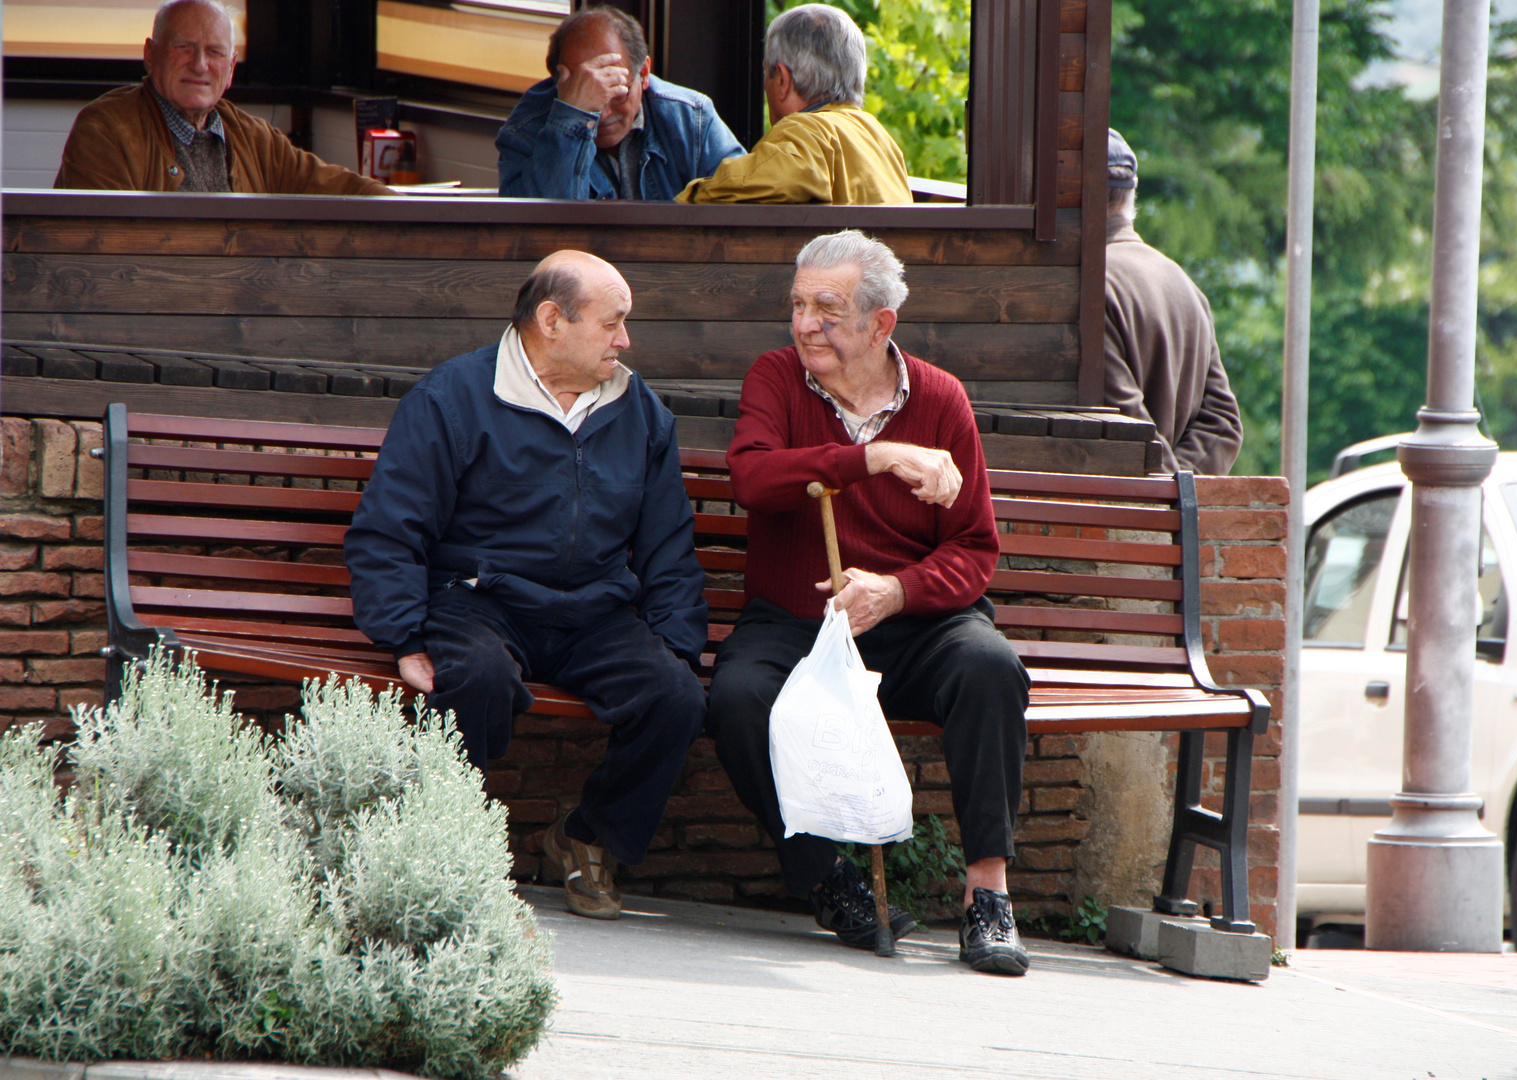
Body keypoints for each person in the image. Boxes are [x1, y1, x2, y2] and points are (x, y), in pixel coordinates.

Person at [344, 251, 708, 922]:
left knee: (676, 696)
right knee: (476, 679)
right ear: (552, 320)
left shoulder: (640, 411)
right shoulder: (453, 397)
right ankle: (446, 847)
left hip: (596, 611)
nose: (625, 340)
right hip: (478, 601)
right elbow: (390, 528)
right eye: (613, 323)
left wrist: (677, 650)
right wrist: (399, 634)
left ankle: (587, 837)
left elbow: (668, 545)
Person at [705, 230, 1032, 975]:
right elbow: (753, 479)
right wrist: (873, 458)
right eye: (797, 305)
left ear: (880, 324)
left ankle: (988, 896)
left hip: (912, 625)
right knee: (737, 697)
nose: (804, 324)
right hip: (795, 621)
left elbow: (975, 550)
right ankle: (829, 878)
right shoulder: (776, 380)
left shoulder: (943, 399)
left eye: (827, 308)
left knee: (988, 668)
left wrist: (897, 591)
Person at [54, 0, 390, 195]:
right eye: (183, 47)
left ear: (230, 69)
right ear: (150, 54)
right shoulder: (105, 129)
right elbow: (99, 248)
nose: (199, 65)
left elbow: (336, 187)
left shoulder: (254, 138)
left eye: (214, 52)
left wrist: (405, 207)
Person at [1103, 128, 1244, 474]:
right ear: (1131, 194)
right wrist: (1179, 490)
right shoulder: (1185, 285)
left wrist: (1164, 489)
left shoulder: (1087, 289)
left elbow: (1123, 422)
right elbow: (1223, 423)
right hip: (1165, 517)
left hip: (1112, 513)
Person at [497, 7, 743, 200]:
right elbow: (542, 236)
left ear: (644, 74)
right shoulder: (524, 132)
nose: (602, 115)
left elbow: (744, 204)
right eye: (588, 97)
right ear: (559, 84)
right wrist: (572, 118)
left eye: (616, 94)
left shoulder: (692, 118)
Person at [676, 5, 911, 205]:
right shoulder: (876, 134)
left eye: (766, 73)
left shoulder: (807, 131)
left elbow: (781, 178)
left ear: (782, 79)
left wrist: (695, 194)